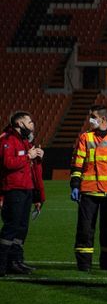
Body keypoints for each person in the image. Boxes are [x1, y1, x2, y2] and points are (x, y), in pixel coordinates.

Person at [70, 105, 107, 271]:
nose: (90, 120)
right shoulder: (85, 138)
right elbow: (78, 162)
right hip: (88, 190)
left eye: (93, 116)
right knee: (85, 229)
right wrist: (75, 184)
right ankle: (84, 264)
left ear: (103, 119)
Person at [0, 112, 44, 276]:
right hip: (14, 190)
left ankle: (16, 262)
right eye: (29, 122)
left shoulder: (23, 140)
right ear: (19, 123)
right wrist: (28, 156)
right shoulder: (7, 140)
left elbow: (30, 167)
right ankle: (2, 264)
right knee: (11, 227)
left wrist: (37, 156)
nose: (32, 124)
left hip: (26, 189)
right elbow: (7, 163)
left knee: (21, 228)